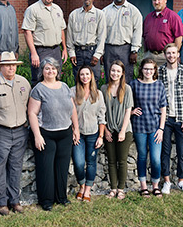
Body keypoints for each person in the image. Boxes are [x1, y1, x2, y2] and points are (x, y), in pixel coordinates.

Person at [0, 51, 31, 215]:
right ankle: (1, 203)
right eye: (8, 65)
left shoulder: (23, 82)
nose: (11, 68)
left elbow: (30, 106)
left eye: (14, 65)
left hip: (20, 132)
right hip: (0, 132)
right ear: (1, 67)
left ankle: (14, 201)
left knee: (16, 168)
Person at [27, 57, 80, 211]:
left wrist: (76, 128)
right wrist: (37, 135)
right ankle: (46, 200)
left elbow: (73, 109)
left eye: (53, 68)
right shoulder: (38, 89)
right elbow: (32, 113)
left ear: (57, 71)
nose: (50, 71)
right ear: (42, 71)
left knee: (62, 167)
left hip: (65, 133)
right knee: (46, 168)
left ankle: (61, 197)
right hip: (46, 134)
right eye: (47, 68)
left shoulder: (64, 87)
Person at [158, 43, 183, 195]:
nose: (171, 56)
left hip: (180, 118)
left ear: (178, 54)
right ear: (165, 55)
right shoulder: (160, 72)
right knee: (165, 151)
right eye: (168, 53)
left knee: (181, 151)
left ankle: (181, 181)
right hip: (165, 119)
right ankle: (166, 181)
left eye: (174, 53)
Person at [129, 58, 167, 198]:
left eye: (151, 69)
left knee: (156, 158)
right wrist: (132, 112)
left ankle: (155, 185)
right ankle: (143, 186)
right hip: (139, 126)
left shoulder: (159, 85)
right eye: (146, 69)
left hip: (155, 127)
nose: (148, 71)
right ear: (141, 69)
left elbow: (163, 109)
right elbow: (127, 103)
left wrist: (161, 129)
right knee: (142, 156)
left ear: (155, 70)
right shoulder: (134, 84)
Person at [71, 66, 106, 202]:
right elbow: (69, 113)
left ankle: (87, 189)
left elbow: (101, 116)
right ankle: (82, 185)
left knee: (91, 162)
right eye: (82, 74)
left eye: (87, 74)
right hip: (78, 134)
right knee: (79, 163)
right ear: (79, 77)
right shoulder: (72, 92)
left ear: (91, 76)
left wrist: (101, 136)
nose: (84, 77)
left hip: (93, 133)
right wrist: (74, 130)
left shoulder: (98, 94)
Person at [22, 0, 68, 86]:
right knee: (40, 80)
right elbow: (27, 31)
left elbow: (61, 29)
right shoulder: (33, 9)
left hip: (56, 50)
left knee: (56, 79)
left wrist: (64, 48)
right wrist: (33, 53)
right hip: (41, 51)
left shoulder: (58, 9)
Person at [101, 60, 134, 200]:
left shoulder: (127, 89)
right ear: (109, 72)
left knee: (122, 160)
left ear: (122, 74)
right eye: (113, 70)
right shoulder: (103, 89)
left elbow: (128, 111)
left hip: (124, 130)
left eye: (118, 71)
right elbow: (101, 111)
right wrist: (106, 130)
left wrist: (122, 131)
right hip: (109, 129)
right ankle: (113, 188)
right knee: (111, 160)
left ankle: (121, 189)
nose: (115, 73)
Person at [102, 0, 143, 83]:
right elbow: (100, 33)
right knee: (109, 76)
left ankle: (125, 98)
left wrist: (134, 50)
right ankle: (110, 98)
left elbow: (137, 31)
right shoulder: (105, 12)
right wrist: (101, 52)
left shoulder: (134, 11)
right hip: (109, 48)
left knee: (125, 78)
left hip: (126, 49)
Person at [67, 0, 106, 85]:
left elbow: (102, 36)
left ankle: (93, 100)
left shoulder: (99, 14)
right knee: (78, 79)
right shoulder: (74, 15)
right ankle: (79, 100)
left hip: (92, 52)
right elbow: (69, 36)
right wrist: (71, 53)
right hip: (78, 52)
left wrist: (97, 55)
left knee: (94, 79)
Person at [143, 0, 183, 66]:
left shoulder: (173, 16)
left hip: (165, 56)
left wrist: (174, 54)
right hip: (150, 56)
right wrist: (146, 53)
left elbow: (179, 37)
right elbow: (144, 37)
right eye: (154, 0)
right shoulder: (148, 17)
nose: (156, 2)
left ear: (165, 0)